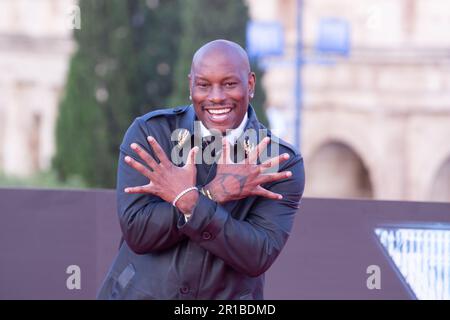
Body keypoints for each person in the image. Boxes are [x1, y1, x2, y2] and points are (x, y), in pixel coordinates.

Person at [97, 39, 305, 300]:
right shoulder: (152, 134)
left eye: (229, 84)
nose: (216, 97)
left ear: (250, 85)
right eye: (204, 85)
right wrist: (212, 194)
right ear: (190, 86)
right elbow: (138, 233)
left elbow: (256, 255)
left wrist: (189, 202)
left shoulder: (278, 160)